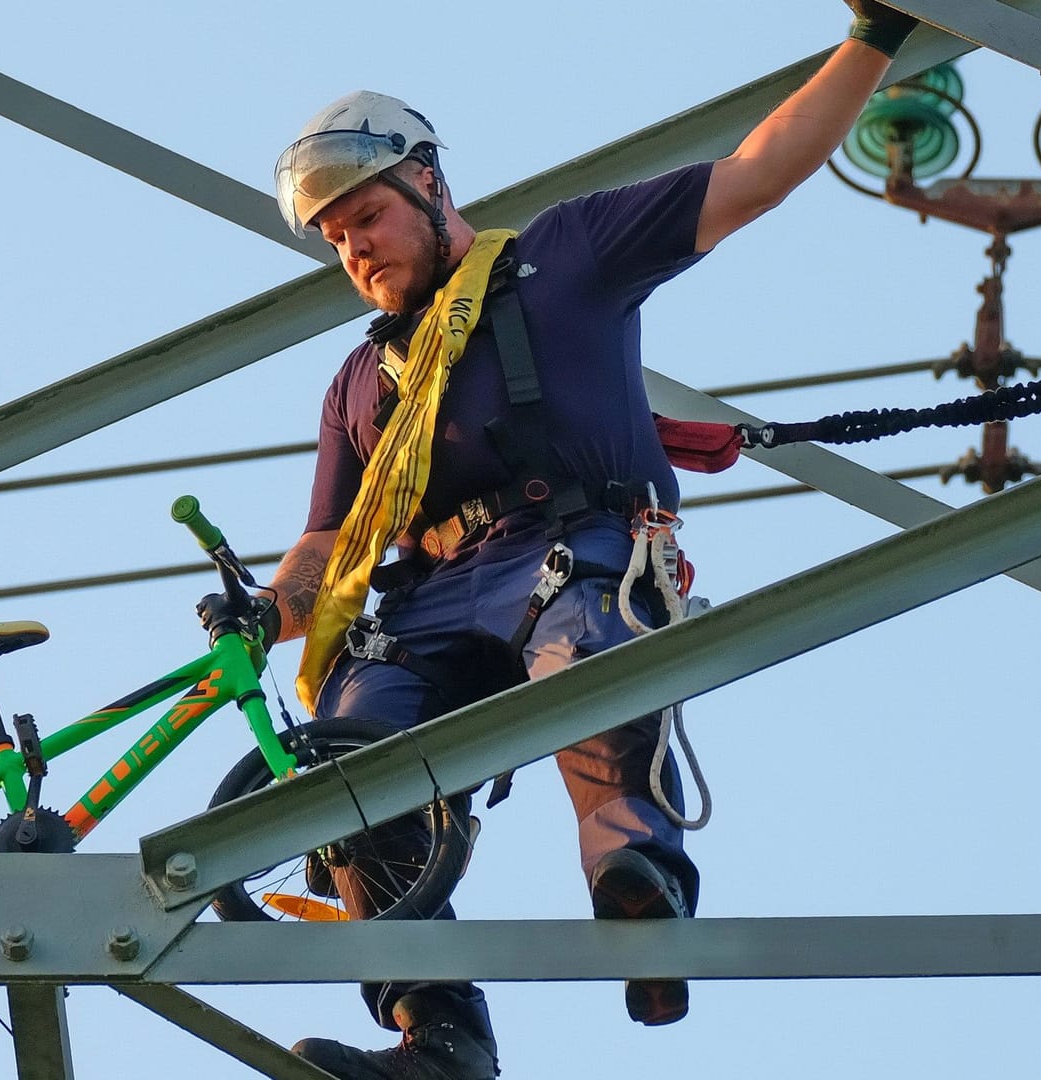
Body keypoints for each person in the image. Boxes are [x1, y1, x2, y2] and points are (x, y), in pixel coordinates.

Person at [202, 4, 918, 1076]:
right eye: (336, 239)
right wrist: (271, 609)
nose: (352, 250)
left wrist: (878, 39)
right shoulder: (360, 384)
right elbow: (328, 543)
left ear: (429, 185)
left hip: (572, 540)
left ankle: (638, 886)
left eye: (365, 219)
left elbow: (755, 175)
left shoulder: (565, 258)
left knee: (586, 651)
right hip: (429, 596)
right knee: (344, 765)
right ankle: (437, 1033)